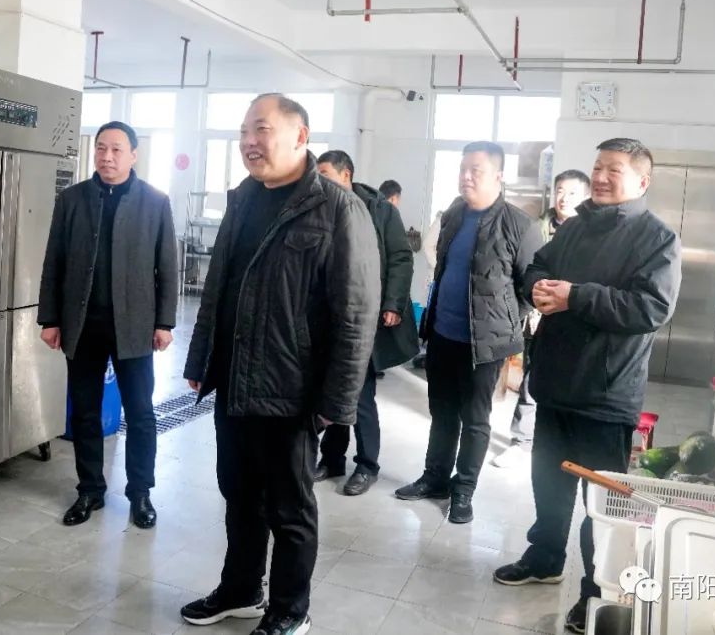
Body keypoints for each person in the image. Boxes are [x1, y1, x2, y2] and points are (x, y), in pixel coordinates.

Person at [180, 94, 379, 635]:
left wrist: (336, 404)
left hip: (292, 389)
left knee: (290, 509)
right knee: (238, 494)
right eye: (244, 131)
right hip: (234, 380)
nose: (249, 141)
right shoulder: (244, 199)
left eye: (262, 129)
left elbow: (355, 314)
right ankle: (242, 589)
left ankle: (291, 609)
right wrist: (201, 358)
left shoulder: (338, 209)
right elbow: (218, 289)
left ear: (300, 136)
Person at [492, 138, 682, 634]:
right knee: (548, 485)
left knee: (601, 507)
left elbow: (650, 308)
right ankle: (544, 558)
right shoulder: (576, 226)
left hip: (606, 393)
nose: (600, 177)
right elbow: (539, 265)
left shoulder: (657, 238)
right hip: (555, 383)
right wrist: (537, 286)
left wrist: (575, 296)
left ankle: (596, 592)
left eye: (613, 170)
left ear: (641, 181)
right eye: (598, 167)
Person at [38, 120, 178, 530]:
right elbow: (54, 262)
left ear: (133, 154)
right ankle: (90, 490)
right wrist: (50, 318)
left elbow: (167, 267)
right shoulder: (72, 199)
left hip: (134, 325)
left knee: (140, 413)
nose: (107, 156)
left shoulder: (154, 202)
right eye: (101, 147)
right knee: (84, 412)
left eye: (116, 149)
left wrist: (164, 322)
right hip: (83, 324)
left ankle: (140, 493)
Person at [395, 141, 543, 524]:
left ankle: (463, 490)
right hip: (442, 333)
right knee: (442, 412)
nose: (466, 177)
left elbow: (530, 288)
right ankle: (435, 479)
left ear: (498, 176)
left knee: (475, 419)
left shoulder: (520, 225)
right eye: (462, 169)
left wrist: (504, 322)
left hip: (485, 344)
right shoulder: (454, 214)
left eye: (475, 170)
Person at [315, 150, 420, 496]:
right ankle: (332, 459)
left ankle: (367, 465)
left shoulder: (380, 211)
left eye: (325, 174)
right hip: (331, 316)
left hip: (365, 317)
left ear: (346, 174)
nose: (319, 180)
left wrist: (393, 303)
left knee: (359, 393)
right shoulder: (320, 207)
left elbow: (401, 258)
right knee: (332, 389)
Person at [492, 169, 590, 468]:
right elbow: (524, 273)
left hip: (578, 320)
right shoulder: (536, 228)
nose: (564, 198)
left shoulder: (592, 233)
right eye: (560, 191)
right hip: (537, 318)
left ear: (586, 196)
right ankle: (522, 442)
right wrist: (531, 308)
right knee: (532, 380)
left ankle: (565, 445)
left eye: (572, 193)